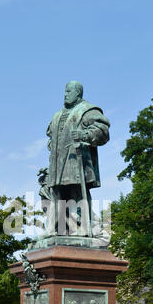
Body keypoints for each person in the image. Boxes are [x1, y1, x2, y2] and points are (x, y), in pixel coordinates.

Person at [44, 81, 110, 237]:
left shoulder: (87, 110)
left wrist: (84, 135)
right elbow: (51, 136)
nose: (65, 94)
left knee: (77, 193)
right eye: (64, 91)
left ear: (78, 93)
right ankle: (54, 228)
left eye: (68, 91)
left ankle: (85, 227)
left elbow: (103, 131)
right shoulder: (58, 115)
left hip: (76, 159)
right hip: (57, 163)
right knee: (56, 194)